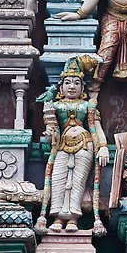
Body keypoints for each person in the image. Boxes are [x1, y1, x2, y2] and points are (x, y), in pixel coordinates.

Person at [35, 56, 110, 236]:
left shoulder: (89, 106)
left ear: (82, 87)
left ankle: (73, 218)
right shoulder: (55, 105)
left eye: (76, 83)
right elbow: (51, 128)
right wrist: (49, 135)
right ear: (61, 87)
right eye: (67, 82)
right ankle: (57, 218)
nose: (72, 86)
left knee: (77, 181)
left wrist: (103, 146)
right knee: (59, 180)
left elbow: (96, 127)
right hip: (61, 146)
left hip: (84, 145)